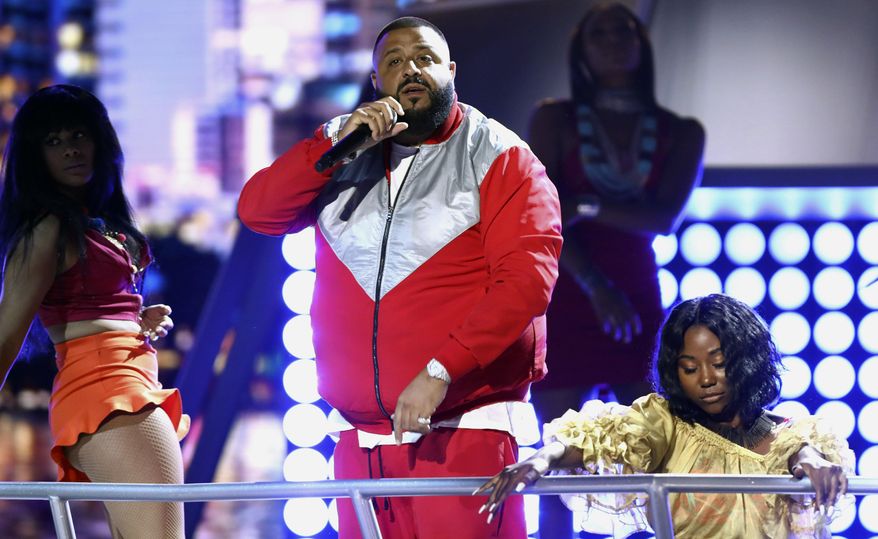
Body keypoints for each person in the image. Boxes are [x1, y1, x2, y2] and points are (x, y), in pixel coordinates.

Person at [237, 16, 562, 539]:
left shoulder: (502, 157)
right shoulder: (342, 148)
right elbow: (258, 212)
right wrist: (333, 146)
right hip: (358, 442)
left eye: (424, 58)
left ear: (451, 71)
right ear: (375, 82)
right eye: (394, 61)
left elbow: (526, 283)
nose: (410, 68)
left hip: (462, 432)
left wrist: (440, 371)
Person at [476, 294, 854, 539]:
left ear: (747, 360)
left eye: (718, 363)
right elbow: (603, 440)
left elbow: (801, 449)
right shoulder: (666, 423)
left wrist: (810, 458)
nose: (705, 379)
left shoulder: (795, 435)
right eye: (690, 368)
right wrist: (542, 458)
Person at [0, 85, 188, 538]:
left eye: (78, 135)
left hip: (125, 386)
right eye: (53, 141)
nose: (70, 149)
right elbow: (5, 335)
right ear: (34, 156)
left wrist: (134, 322)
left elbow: (86, 307)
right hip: (107, 394)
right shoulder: (47, 229)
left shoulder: (96, 221)